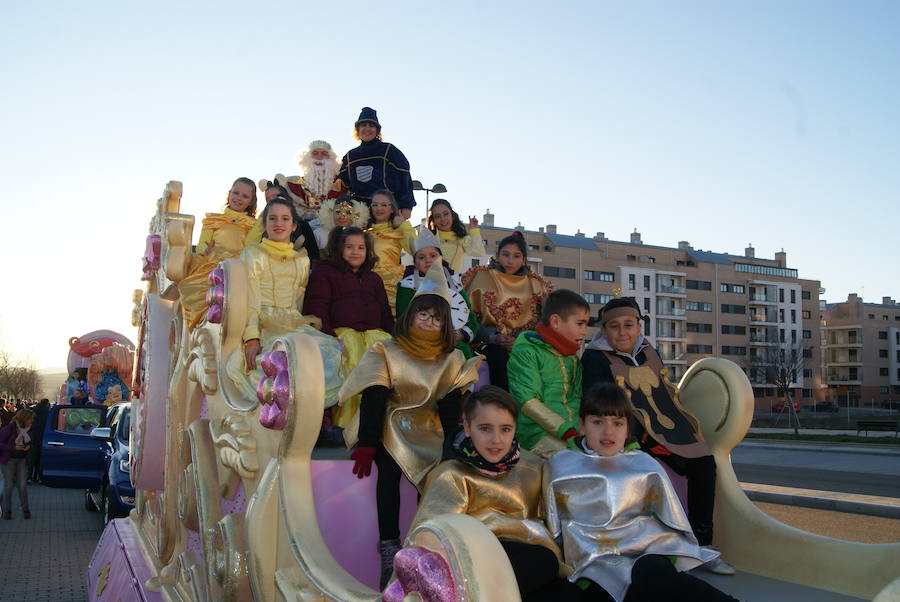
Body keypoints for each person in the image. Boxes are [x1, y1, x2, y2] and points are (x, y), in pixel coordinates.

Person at [339, 262, 482, 589]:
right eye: (423, 314)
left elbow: (449, 408)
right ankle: (389, 544)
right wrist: (367, 443)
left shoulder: (451, 359)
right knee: (388, 470)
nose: (430, 322)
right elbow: (374, 398)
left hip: (428, 426)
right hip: (391, 420)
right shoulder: (386, 349)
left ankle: (423, 544)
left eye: (437, 318)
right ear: (410, 315)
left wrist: (449, 448)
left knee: (437, 474)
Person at [581, 297, 735, 575]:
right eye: (614, 327)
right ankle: (666, 548)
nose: (623, 332)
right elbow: (600, 403)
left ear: (639, 327)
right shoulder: (594, 358)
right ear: (603, 331)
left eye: (629, 325)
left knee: (704, 463)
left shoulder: (649, 352)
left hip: (667, 430)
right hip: (629, 435)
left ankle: (703, 543)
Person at [545, 382, 738, 601]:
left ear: (628, 428)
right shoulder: (562, 465)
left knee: (652, 573)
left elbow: (670, 516)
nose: (608, 431)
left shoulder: (644, 464)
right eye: (597, 422)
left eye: (617, 423)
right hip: (592, 560)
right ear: (582, 425)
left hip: (646, 551)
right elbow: (554, 522)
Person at [409, 386, 583, 601]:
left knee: (574, 593)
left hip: (528, 561)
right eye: (485, 428)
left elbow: (546, 520)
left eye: (505, 429)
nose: (496, 440)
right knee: (542, 561)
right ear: (467, 427)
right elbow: (430, 535)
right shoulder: (451, 474)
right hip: (474, 563)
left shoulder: (531, 467)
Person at [302, 226, 395, 428]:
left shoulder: (374, 279)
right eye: (349, 247)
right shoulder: (325, 273)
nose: (355, 252)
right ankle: (347, 423)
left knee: (382, 351)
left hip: (373, 335)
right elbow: (318, 307)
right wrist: (329, 337)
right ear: (338, 249)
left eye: (361, 247)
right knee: (352, 350)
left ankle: (380, 424)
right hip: (340, 333)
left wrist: (395, 338)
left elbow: (385, 313)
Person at [463, 232, 553, 391]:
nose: (510, 261)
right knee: (497, 356)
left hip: (525, 345)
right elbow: (468, 317)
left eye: (516, 256)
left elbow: (544, 322)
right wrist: (494, 337)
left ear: (523, 259)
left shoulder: (535, 284)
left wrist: (519, 340)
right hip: (485, 345)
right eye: (506, 255)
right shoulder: (481, 278)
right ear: (497, 255)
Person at [508, 289, 589, 458]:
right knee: (575, 461)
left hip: (571, 434)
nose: (584, 332)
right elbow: (528, 402)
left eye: (586, 324)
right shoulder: (527, 352)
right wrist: (566, 431)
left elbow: (575, 399)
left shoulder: (570, 357)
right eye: (580, 324)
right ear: (556, 321)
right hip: (535, 434)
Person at [178, 178, 258, 330]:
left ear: (251, 201)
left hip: (239, 265)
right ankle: (206, 324)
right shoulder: (214, 220)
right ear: (229, 194)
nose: (238, 198)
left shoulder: (253, 225)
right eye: (235, 193)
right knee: (199, 287)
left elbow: (250, 247)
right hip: (213, 263)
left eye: (244, 196)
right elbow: (203, 245)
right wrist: (205, 250)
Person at [396, 226, 479, 358]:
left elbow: (469, 314)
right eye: (421, 257)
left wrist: (462, 334)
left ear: (441, 258)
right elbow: (403, 316)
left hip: (453, 341)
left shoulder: (454, 283)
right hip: (420, 339)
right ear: (415, 263)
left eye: (433, 255)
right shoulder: (408, 286)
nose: (428, 260)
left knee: (462, 352)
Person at [336, 107, 415, 218]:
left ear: (377, 131)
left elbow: (404, 178)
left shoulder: (389, 150)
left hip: (386, 211)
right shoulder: (350, 156)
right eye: (363, 125)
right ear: (357, 130)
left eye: (371, 125)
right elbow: (340, 183)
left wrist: (406, 205)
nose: (367, 128)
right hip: (359, 213)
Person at [246, 180, 320, 260]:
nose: (272, 200)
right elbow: (250, 246)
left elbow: (314, 257)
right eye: (268, 199)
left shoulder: (303, 225)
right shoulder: (264, 226)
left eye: (276, 196)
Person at [367, 189, 414, 313]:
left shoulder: (398, 231)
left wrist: (403, 225)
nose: (379, 208)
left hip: (390, 288)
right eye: (375, 205)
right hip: (366, 286)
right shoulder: (364, 232)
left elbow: (415, 249)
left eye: (384, 205)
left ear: (392, 208)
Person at [277, 140, 348, 220]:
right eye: (315, 153)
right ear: (307, 158)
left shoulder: (341, 188)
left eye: (324, 153)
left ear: (331, 159)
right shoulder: (291, 184)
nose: (319, 157)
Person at [427, 199, 486, 273]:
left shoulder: (462, 238)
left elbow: (479, 252)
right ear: (433, 220)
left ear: (452, 215)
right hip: (431, 282)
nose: (443, 219)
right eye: (437, 216)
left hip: (454, 283)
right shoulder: (429, 239)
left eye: (446, 214)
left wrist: (474, 230)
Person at [1, 409, 36, 519]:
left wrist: (29, 446)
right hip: (8, 460)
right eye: (30, 419)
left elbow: (31, 442)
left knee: (22, 486)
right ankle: (7, 511)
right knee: (9, 486)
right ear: (24, 419)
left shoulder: (28, 429)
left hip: (22, 460)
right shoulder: (9, 428)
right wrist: (13, 447)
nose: (31, 421)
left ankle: (26, 510)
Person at [28, 399, 49, 482]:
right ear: (47, 404)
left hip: (33, 437)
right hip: (42, 438)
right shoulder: (47, 413)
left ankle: (29, 477)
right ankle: (38, 477)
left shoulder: (34, 411)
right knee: (40, 459)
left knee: (31, 458)